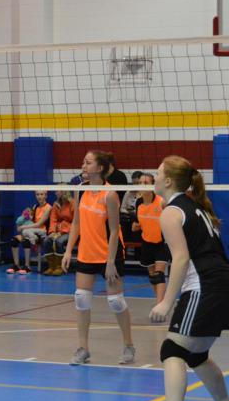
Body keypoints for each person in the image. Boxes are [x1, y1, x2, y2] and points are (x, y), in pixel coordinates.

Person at [139, 156, 229, 401]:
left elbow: (182, 258)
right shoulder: (196, 207)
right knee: (196, 355)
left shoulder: (171, 212)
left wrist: (166, 302)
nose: (154, 176)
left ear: (169, 181)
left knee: (172, 350)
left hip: (205, 285)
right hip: (225, 283)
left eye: (158, 172)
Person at [62, 151, 135, 366]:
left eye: (88, 162)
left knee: (116, 301)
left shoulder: (109, 194)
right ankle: (83, 348)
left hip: (109, 253)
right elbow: (76, 223)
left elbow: (114, 230)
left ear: (100, 168)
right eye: (83, 162)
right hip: (87, 252)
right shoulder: (81, 189)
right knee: (81, 298)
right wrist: (68, 251)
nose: (83, 165)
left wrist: (110, 261)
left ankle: (129, 345)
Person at [133, 174, 168, 305]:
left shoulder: (161, 202)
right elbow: (138, 223)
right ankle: (159, 301)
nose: (142, 185)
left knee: (159, 274)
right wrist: (135, 226)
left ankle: (160, 304)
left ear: (153, 185)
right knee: (153, 276)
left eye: (146, 182)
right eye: (140, 182)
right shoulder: (138, 202)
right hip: (147, 242)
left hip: (162, 242)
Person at [7, 190, 51, 274]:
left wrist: (23, 227)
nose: (39, 196)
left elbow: (39, 224)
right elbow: (30, 220)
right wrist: (20, 223)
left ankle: (27, 266)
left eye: (41, 194)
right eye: (37, 194)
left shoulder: (48, 207)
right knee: (14, 240)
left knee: (26, 240)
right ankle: (16, 265)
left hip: (41, 232)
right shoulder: (35, 206)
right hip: (31, 230)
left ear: (46, 195)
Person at [41, 189, 73, 276]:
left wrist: (62, 232)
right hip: (58, 231)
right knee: (46, 240)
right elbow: (53, 219)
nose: (55, 193)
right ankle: (51, 266)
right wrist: (52, 231)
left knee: (59, 241)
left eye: (57, 191)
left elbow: (75, 222)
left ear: (63, 192)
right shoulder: (56, 204)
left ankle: (60, 267)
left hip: (71, 232)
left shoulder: (72, 203)